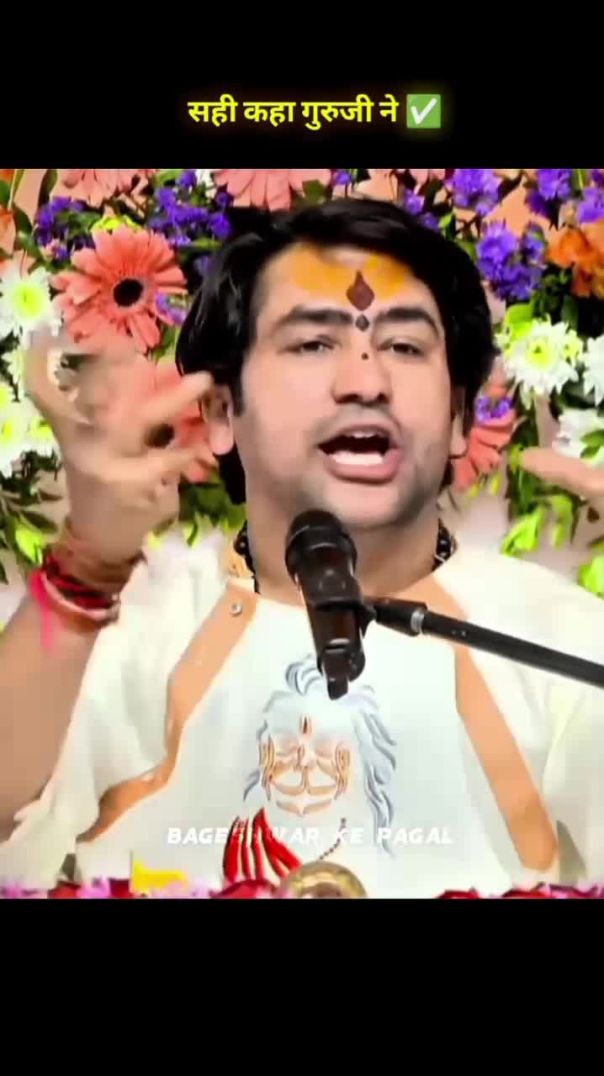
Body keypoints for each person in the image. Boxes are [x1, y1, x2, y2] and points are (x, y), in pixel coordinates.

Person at [0, 197, 602, 898]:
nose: (366, 382)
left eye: (406, 347)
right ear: (221, 411)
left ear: (461, 417)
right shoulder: (122, 626)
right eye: (313, 343)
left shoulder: (560, 636)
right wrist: (82, 572)